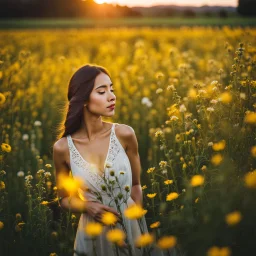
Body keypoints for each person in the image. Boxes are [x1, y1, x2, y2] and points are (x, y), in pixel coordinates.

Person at [53, 64, 176, 256]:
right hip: (93, 234)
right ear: (83, 99)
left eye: (112, 89)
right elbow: (64, 199)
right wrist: (88, 206)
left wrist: (134, 228)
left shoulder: (124, 134)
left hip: (130, 226)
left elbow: (136, 185)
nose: (112, 96)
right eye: (102, 91)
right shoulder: (62, 148)